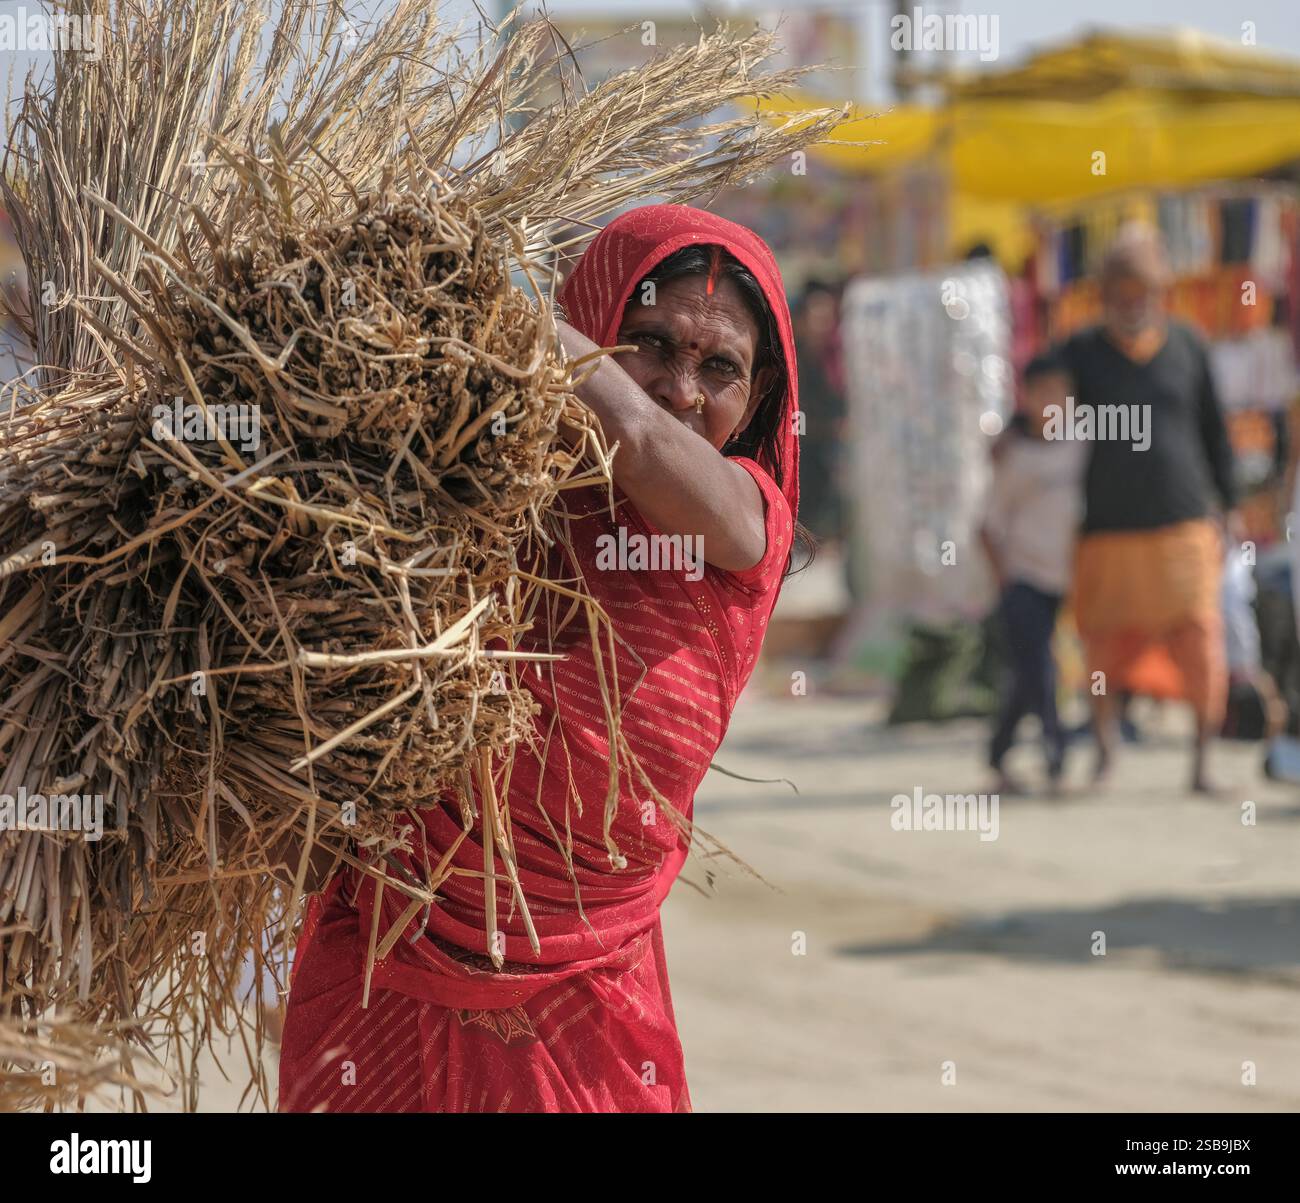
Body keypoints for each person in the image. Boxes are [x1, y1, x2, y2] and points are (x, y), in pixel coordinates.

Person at [277, 205, 801, 1113]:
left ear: (755, 403)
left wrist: (497, 303)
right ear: (594, 330)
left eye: (720, 367)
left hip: (588, 986)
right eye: (648, 342)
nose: (681, 387)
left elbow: (635, 438)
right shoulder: (478, 486)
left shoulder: (745, 523)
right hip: (393, 953)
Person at [1062, 224, 1239, 793]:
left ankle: (1202, 766)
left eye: (1142, 292)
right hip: (1108, 529)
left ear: (1159, 294)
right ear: (1106, 295)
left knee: (1201, 643)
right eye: (1121, 293)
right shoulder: (1081, 353)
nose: (1132, 304)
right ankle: (1106, 758)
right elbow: (1036, 406)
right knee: (1103, 649)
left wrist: (1228, 504)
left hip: (1183, 525)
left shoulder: (1188, 344)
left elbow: (1215, 431)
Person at [980, 353, 1085, 794]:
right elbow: (986, 525)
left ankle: (998, 755)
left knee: (1027, 677)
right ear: (1027, 398)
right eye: (1043, 394)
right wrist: (1004, 578)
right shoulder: (1016, 456)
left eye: (1061, 394)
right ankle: (1057, 757)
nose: (1052, 403)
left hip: (1068, 580)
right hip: (1024, 579)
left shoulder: (1084, 447)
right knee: (1042, 669)